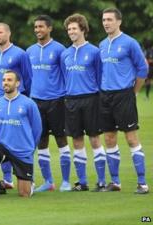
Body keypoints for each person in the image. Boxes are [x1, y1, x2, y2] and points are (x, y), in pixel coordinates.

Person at [99, 8, 149, 194]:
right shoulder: (102, 44)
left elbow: (142, 69)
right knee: (109, 138)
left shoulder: (129, 43)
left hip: (124, 95)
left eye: (110, 19)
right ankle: (115, 182)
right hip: (105, 96)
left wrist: (133, 92)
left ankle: (142, 183)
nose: (106, 23)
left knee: (130, 137)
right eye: (104, 20)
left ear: (119, 22)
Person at [0, 70, 42, 199]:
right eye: (4, 80)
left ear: (17, 83)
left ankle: (12, 184)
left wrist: (31, 149)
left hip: (22, 151)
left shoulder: (29, 103)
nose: (5, 82)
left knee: (24, 194)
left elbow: (37, 129)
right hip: (4, 148)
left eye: (9, 80)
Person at [61, 13, 106, 192]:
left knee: (95, 139)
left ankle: (102, 181)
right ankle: (82, 182)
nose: (71, 32)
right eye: (69, 29)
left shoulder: (95, 51)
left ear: (83, 30)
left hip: (91, 99)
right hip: (71, 100)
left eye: (74, 28)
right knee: (77, 140)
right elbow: (65, 77)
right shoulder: (65, 53)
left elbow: (101, 76)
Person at [26, 15, 71, 192]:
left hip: (57, 100)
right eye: (35, 27)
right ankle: (48, 181)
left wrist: (66, 96)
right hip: (36, 101)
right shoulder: (29, 51)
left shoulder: (60, 49)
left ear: (50, 28)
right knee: (41, 140)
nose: (38, 30)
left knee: (61, 138)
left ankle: (66, 181)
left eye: (41, 27)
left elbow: (67, 74)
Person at [0, 22, 33, 189]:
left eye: (0, 32)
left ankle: (27, 175)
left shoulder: (20, 54)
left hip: (18, 101)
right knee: (2, 138)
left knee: (19, 138)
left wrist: (24, 99)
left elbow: (28, 78)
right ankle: (7, 179)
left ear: (8, 33)